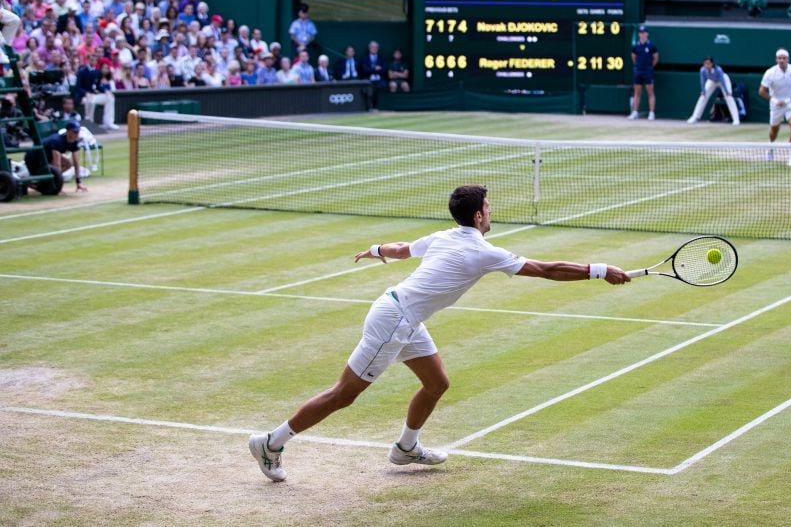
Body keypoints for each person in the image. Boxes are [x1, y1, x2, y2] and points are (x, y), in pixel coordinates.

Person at [247, 185, 631, 481]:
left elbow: (400, 250)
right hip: (394, 321)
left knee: (436, 383)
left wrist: (374, 248)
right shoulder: (483, 252)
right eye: (489, 208)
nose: (491, 212)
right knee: (343, 395)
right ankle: (271, 443)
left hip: (403, 316)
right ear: (479, 215)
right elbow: (547, 269)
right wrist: (600, 270)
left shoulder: (445, 236)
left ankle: (405, 447)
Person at [758, 48, 791, 167]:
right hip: (776, 104)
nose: (782, 60)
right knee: (774, 130)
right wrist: (774, 100)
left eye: (784, 58)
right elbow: (761, 91)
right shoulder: (770, 72)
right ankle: (771, 147)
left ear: (788, 59)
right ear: (776, 59)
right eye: (779, 58)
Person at [26, 121, 87, 193]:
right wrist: (59, 188)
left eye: (78, 132)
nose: (77, 134)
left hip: (47, 157)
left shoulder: (74, 142)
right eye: (74, 132)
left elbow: (76, 163)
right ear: (68, 132)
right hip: (33, 158)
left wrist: (78, 183)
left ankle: (49, 183)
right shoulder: (57, 141)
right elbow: (57, 164)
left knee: (68, 163)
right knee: (42, 179)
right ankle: (27, 183)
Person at [687, 56, 740, 126]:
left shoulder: (718, 70)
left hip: (722, 80)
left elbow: (723, 81)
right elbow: (702, 81)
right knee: (703, 96)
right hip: (711, 81)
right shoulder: (702, 70)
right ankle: (695, 117)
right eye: (705, 64)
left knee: (729, 97)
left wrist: (727, 92)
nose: (706, 65)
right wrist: (703, 90)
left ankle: (736, 119)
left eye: (708, 63)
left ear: (712, 64)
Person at [628, 25, 658, 121]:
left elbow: (656, 58)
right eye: (640, 33)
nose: (642, 34)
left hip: (648, 72)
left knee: (650, 92)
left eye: (644, 33)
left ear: (647, 34)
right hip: (638, 72)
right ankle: (635, 112)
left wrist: (650, 67)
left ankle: (651, 113)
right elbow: (633, 57)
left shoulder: (651, 46)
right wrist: (637, 66)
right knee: (637, 93)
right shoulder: (636, 46)